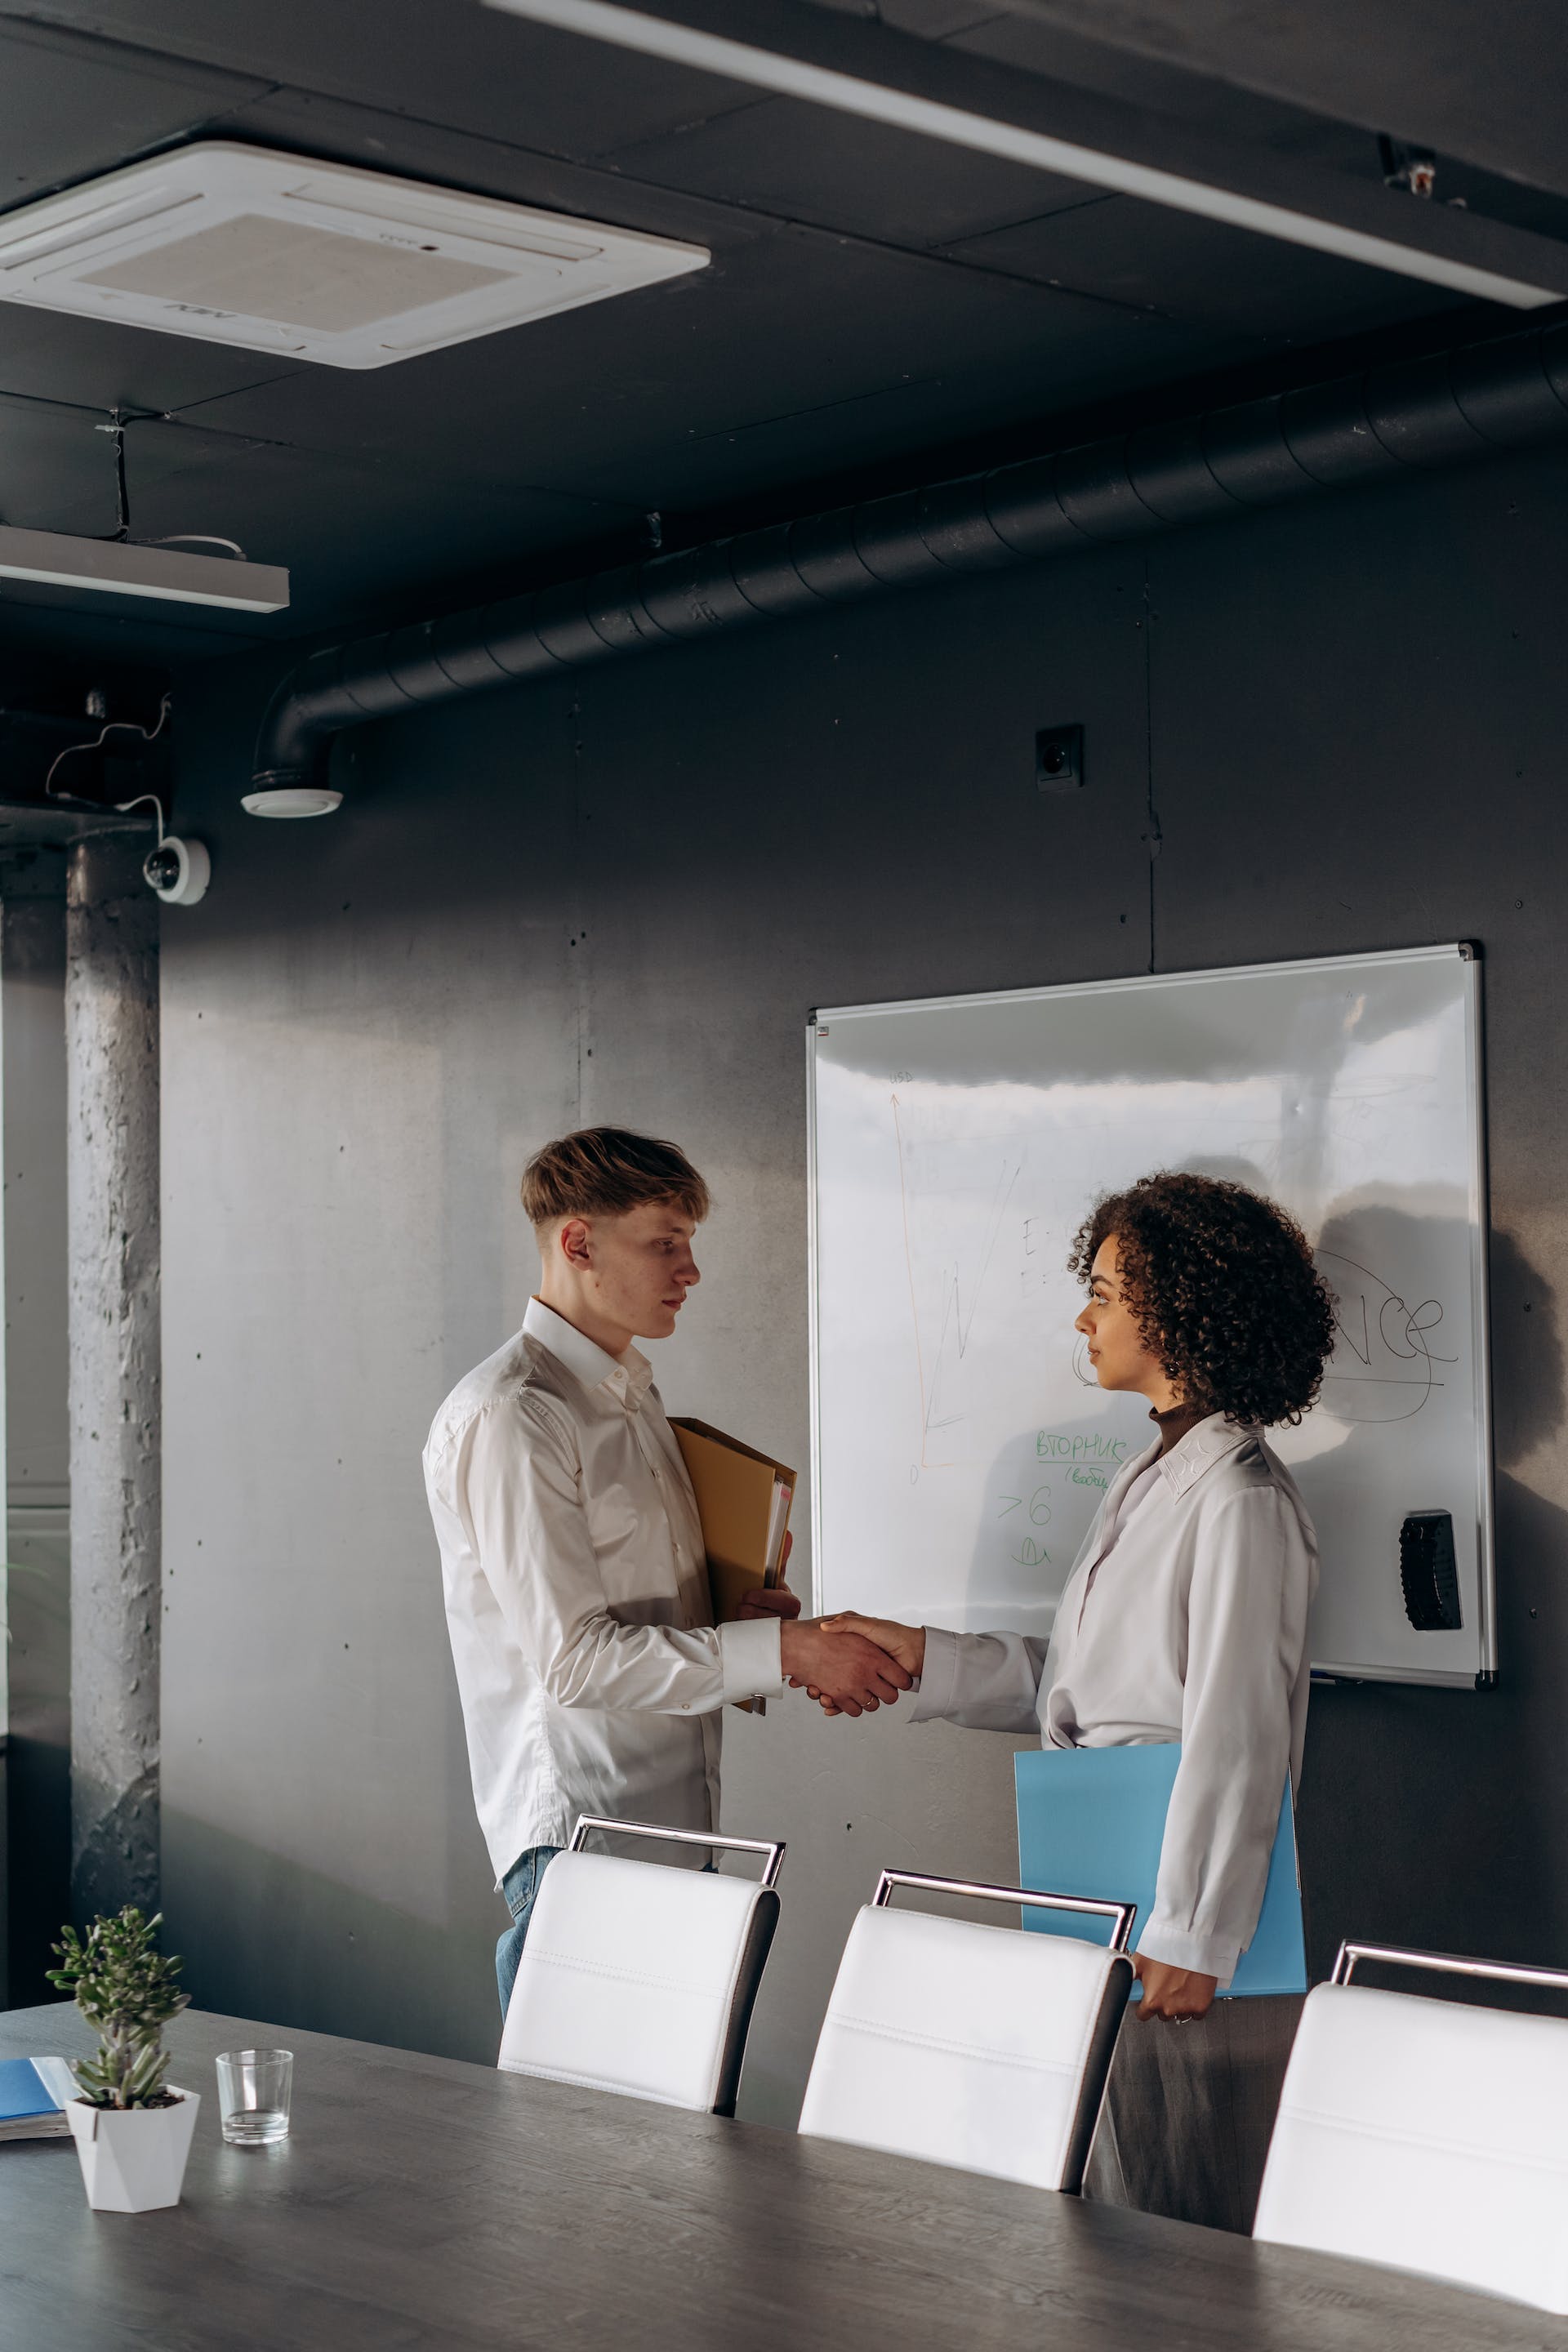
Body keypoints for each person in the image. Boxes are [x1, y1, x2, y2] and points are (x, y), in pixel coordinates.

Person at [790, 1172, 1336, 2230]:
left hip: (1177, 1908)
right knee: (1109, 2183)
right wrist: (927, 1655)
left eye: (1106, 1292)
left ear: (1180, 1310)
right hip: (1107, 1876)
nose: (1084, 1317)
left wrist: (1196, 1932)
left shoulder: (1241, 1498)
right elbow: (1084, 1685)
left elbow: (1239, 1731)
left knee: (1177, 2202)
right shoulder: (1151, 1478)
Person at [424, 1125, 911, 2016]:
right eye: (665, 1243)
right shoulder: (515, 1416)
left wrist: (743, 1611)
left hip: (671, 1830)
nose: (690, 1270)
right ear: (578, 1244)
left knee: (662, 2150)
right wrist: (786, 1652)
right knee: (572, 2149)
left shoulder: (631, 1393)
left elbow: (635, 1612)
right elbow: (573, 1663)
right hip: (584, 1845)